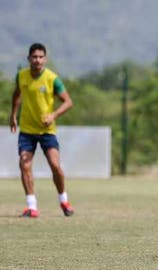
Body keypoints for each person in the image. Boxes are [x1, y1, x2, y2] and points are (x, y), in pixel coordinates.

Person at [9, 43, 75, 218]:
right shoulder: (21, 76)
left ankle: (64, 200)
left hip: (47, 131)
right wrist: (13, 115)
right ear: (29, 58)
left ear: (45, 59)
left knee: (55, 165)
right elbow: (17, 95)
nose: (37, 60)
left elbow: (68, 102)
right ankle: (32, 206)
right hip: (27, 130)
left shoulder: (53, 79)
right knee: (24, 163)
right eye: (34, 56)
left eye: (40, 57)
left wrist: (53, 115)